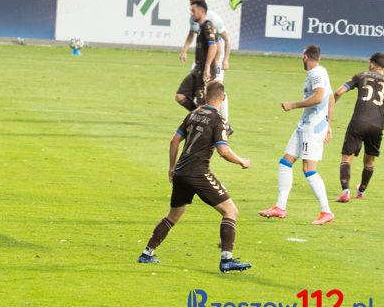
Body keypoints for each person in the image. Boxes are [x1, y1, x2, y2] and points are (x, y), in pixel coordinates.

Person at [138, 81, 252, 273]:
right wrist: (242, 161)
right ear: (223, 97)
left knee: (173, 215)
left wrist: (172, 167)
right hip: (197, 172)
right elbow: (223, 151)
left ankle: (147, 253)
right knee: (231, 211)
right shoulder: (218, 119)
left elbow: (174, 140)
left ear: (205, 96)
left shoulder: (193, 113)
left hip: (181, 172)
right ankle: (227, 259)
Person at [259, 45, 335, 224]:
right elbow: (331, 99)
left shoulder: (316, 74)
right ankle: (280, 207)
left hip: (312, 128)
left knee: (309, 168)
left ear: (305, 57)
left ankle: (326, 211)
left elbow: (319, 97)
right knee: (286, 161)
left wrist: (293, 105)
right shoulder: (321, 71)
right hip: (306, 125)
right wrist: (329, 125)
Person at [333, 52, 384, 202]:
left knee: (347, 157)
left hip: (358, 122)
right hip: (377, 125)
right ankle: (361, 190)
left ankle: (345, 191)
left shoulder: (361, 75)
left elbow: (338, 92)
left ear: (372, 63)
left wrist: (329, 107)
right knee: (369, 161)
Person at [179, 0, 232, 125]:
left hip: (216, 58)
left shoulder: (213, 19)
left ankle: (224, 120)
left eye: (193, 6)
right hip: (202, 60)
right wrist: (184, 50)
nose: (191, 10)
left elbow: (225, 40)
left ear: (200, 8)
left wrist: (225, 59)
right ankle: (200, 115)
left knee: (216, 88)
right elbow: (191, 35)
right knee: (197, 89)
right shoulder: (194, 19)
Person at [175, 0, 219, 112]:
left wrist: (207, 67)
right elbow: (190, 35)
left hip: (205, 71)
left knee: (203, 104)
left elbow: (213, 46)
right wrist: (184, 51)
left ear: (201, 11)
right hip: (197, 69)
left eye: (193, 11)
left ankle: (211, 119)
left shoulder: (208, 26)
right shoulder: (200, 27)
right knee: (180, 96)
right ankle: (197, 114)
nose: (191, 13)